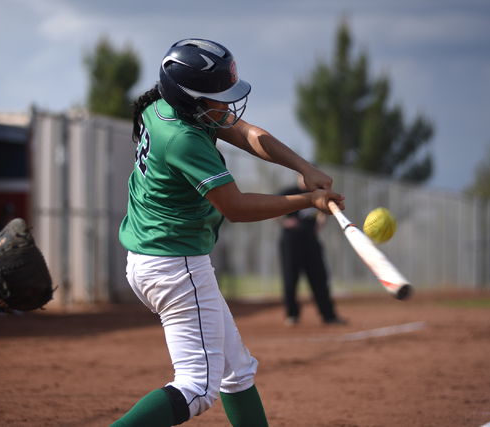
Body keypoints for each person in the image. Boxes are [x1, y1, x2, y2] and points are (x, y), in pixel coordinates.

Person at [115, 39, 345, 427]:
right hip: (176, 267)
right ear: (192, 100)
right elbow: (235, 207)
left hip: (154, 258)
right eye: (217, 97)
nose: (227, 105)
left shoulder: (165, 110)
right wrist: (307, 201)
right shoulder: (184, 139)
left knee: (236, 369)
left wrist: (303, 167)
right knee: (196, 388)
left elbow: (246, 133)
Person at [277, 174, 346, 327]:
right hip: (291, 241)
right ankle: (292, 315)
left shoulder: (317, 195)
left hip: (311, 241)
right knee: (290, 279)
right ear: (297, 176)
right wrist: (283, 222)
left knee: (320, 278)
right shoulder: (289, 192)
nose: (305, 179)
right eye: (302, 176)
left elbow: (326, 211)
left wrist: (319, 225)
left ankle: (329, 315)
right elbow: (271, 207)